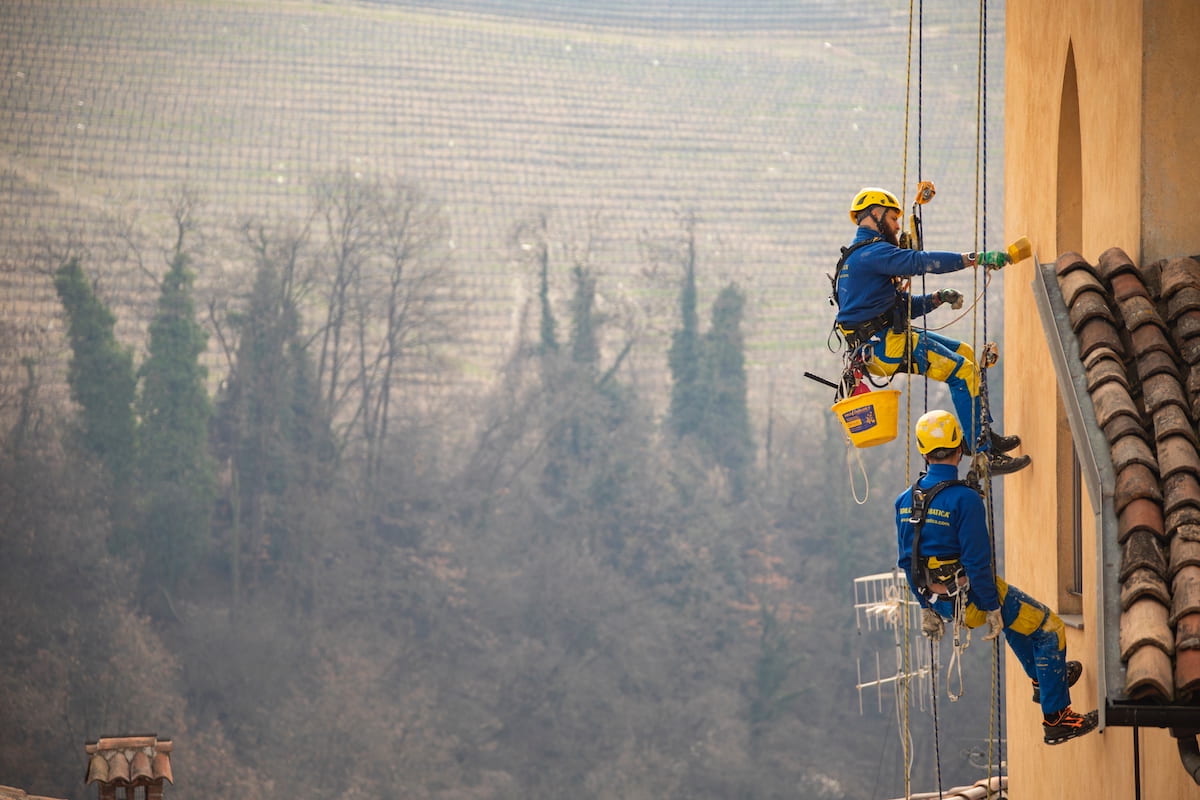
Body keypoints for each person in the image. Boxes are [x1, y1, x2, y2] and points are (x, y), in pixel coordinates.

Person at [896, 409, 1097, 745]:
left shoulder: (905, 501)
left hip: (942, 604)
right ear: (960, 446)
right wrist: (991, 607)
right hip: (973, 597)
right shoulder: (965, 500)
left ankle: (1043, 679)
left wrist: (925, 607)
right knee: (1050, 629)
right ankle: (1058, 718)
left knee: (1018, 623)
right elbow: (978, 562)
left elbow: (906, 560)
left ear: (923, 451)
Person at [834, 187, 1029, 475]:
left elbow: (900, 306)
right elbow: (921, 262)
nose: (898, 225)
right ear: (875, 214)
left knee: (965, 354)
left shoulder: (858, 258)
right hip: (886, 345)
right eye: (893, 217)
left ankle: (983, 434)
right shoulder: (872, 253)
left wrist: (936, 299)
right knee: (961, 372)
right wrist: (975, 258)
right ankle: (984, 454)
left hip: (880, 343)